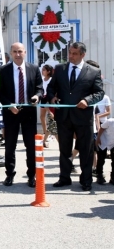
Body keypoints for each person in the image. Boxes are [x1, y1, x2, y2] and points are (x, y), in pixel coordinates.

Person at [46, 42, 104, 191]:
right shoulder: (60, 69)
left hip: (84, 117)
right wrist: (52, 98)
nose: (71, 56)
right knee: (64, 150)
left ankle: (86, 180)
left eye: (75, 54)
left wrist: (87, 100)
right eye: (70, 53)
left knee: (86, 149)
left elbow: (99, 93)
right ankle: (64, 178)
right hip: (64, 117)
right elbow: (51, 88)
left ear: (83, 54)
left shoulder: (93, 71)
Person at [0, 43, 43, 187]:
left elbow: (39, 88)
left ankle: (31, 176)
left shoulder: (34, 68)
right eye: (15, 52)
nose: (17, 54)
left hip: (28, 112)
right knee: (10, 146)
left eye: (20, 51)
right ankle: (9, 174)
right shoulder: (4, 70)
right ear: (11, 53)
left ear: (25, 52)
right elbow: (1, 93)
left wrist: (37, 96)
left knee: (30, 146)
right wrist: (9, 105)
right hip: (11, 112)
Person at [95, 117, 114, 185]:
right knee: (101, 159)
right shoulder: (110, 121)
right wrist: (98, 138)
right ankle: (99, 176)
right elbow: (102, 128)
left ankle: (113, 178)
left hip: (113, 143)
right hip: (103, 141)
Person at [40, 64, 55, 147]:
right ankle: (45, 131)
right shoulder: (42, 79)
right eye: (42, 70)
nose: (42, 71)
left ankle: (48, 134)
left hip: (49, 98)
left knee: (50, 116)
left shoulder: (51, 80)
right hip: (43, 97)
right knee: (42, 116)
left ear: (48, 71)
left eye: (44, 70)